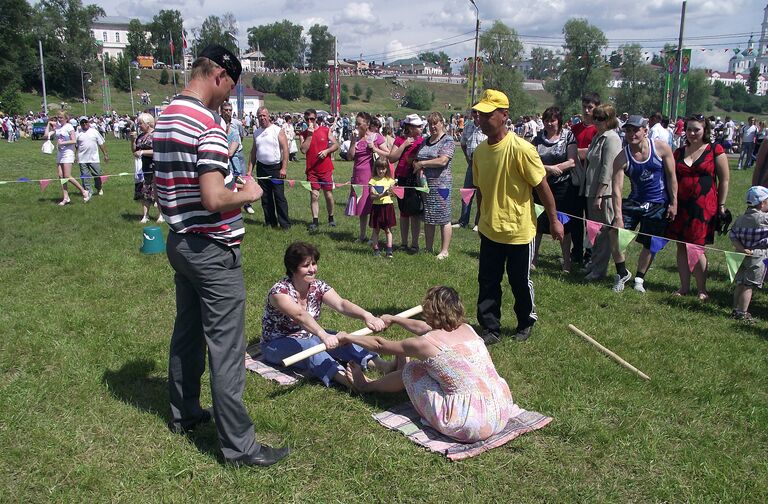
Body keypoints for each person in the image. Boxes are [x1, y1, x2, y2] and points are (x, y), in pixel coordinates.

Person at [154, 45, 288, 467]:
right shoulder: (208, 126)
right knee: (226, 349)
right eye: (232, 86)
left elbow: (167, 187)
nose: (231, 96)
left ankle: (185, 412)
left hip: (180, 241)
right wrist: (247, 193)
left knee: (188, 332)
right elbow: (214, 198)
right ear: (218, 76)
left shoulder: (166, 117)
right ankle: (240, 447)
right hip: (213, 249)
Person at [340, 286, 516, 443]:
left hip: (471, 423)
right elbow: (424, 328)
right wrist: (395, 319)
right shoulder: (468, 329)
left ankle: (367, 386)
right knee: (431, 368)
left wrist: (347, 337)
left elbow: (381, 345)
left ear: (430, 310)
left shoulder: (425, 344)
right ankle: (379, 381)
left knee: (412, 370)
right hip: (500, 409)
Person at [471, 90, 564, 344]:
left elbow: (542, 187)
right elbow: (480, 189)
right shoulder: (479, 153)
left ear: (504, 115)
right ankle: (490, 328)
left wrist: (555, 220)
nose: (481, 119)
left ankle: (525, 321)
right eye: (480, 114)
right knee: (487, 281)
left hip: (519, 232)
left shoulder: (522, 149)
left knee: (519, 281)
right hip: (491, 229)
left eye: (488, 114)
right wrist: (480, 219)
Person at [260, 242, 391, 388]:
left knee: (342, 338)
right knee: (310, 345)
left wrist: (367, 316)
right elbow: (300, 315)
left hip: (308, 334)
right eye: (305, 266)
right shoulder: (280, 292)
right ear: (292, 268)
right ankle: (349, 381)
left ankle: (382, 365)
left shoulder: (318, 286)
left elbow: (341, 304)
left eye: (314, 264)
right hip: (275, 344)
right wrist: (323, 335)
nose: (312, 270)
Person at [608, 115, 677, 293]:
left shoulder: (661, 148)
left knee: (650, 242)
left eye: (636, 130)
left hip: (658, 203)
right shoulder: (622, 157)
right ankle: (622, 272)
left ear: (645, 131)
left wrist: (674, 202)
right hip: (635, 201)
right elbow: (616, 189)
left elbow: (671, 177)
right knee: (614, 232)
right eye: (628, 130)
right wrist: (618, 217)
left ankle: (639, 278)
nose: (632, 134)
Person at [667, 114, 730, 300]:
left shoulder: (714, 150)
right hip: (681, 205)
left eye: (697, 129)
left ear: (705, 131)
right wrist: (672, 202)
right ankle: (684, 287)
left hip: (703, 206)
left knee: (696, 247)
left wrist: (722, 204)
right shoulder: (678, 152)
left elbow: (724, 179)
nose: (692, 133)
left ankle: (702, 288)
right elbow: (671, 178)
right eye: (689, 129)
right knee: (681, 246)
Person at [531, 106, 579, 272]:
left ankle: (567, 262)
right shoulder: (537, 139)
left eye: (553, 120)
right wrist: (549, 169)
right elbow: (532, 161)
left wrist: (555, 168)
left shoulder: (568, 136)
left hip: (563, 189)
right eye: (546, 120)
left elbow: (572, 161)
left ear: (559, 121)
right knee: (537, 224)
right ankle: (533, 259)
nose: (549, 123)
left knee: (563, 224)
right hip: (541, 185)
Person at [583, 104, 623, 281]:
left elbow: (608, 169)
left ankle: (599, 270)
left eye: (601, 118)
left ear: (610, 120)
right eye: (595, 118)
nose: (597, 121)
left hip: (603, 194)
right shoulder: (598, 137)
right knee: (594, 232)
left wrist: (599, 194)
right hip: (591, 190)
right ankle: (595, 264)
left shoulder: (611, 138)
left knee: (602, 234)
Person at [413, 112, 455, 259]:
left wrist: (422, 163)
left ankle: (444, 250)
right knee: (428, 216)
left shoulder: (447, 141)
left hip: (441, 185)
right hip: (425, 184)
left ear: (442, 123)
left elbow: (443, 161)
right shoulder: (425, 141)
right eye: (430, 124)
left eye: (435, 123)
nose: (432, 127)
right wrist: (417, 164)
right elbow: (418, 157)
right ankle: (428, 248)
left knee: (444, 217)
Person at [570, 92, 601, 266]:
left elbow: (594, 154)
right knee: (574, 217)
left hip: (592, 180)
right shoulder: (575, 129)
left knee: (591, 219)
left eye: (591, 107)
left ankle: (590, 253)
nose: (587, 111)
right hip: (575, 179)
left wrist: (578, 153)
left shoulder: (598, 130)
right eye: (585, 107)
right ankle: (576, 251)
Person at [729, 186, 768, 323]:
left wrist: (740, 248)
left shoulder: (741, 218)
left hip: (740, 254)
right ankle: (742, 313)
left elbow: (732, 234)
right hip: (757, 256)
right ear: (762, 203)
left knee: (740, 283)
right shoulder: (764, 218)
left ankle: (735, 309)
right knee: (748, 286)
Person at [248, 106, 291, 229]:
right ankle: (270, 222)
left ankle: (285, 224)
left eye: (264, 115)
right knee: (265, 198)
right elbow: (253, 152)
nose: (262, 118)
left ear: (268, 116)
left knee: (279, 197)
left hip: (276, 168)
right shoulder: (256, 133)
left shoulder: (277, 130)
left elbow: (285, 149)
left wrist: (284, 168)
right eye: (260, 116)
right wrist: (250, 170)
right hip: (262, 168)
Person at [349, 112, 389, 243]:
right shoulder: (357, 139)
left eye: (359, 123)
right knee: (361, 207)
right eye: (356, 123)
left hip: (371, 176)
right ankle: (362, 235)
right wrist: (353, 141)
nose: (357, 126)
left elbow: (388, 154)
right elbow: (350, 157)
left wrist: (374, 149)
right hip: (357, 176)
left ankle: (374, 236)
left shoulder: (375, 137)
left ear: (366, 125)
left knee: (373, 205)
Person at [388, 114, 425, 253]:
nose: (421, 128)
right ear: (410, 127)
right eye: (418, 126)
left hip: (415, 178)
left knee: (415, 211)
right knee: (404, 211)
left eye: (421, 126)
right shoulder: (400, 140)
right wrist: (403, 145)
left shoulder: (422, 141)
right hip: (401, 178)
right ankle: (403, 243)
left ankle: (415, 244)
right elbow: (391, 159)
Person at [300, 109, 339, 231]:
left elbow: (336, 145)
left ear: (316, 118)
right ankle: (315, 220)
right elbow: (303, 150)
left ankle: (331, 218)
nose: (310, 121)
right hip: (311, 170)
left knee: (328, 195)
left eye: (312, 119)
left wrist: (327, 151)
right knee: (314, 196)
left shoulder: (325, 130)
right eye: (307, 119)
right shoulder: (303, 134)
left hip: (325, 168)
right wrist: (310, 135)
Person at [45, 110, 90, 205]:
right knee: (61, 176)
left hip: (68, 152)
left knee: (67, 176)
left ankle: (84, 191)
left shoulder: (69, 127)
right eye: (58, 118)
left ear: (66, 118)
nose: (59, 119)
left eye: (61, 118)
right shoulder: (58, 127)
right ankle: (66, 197)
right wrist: (48, 124)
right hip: (60, 153)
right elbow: (46, 135)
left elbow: (74, 140)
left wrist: (62, 143)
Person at [455, 110, 486, 230]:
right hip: (471, 164)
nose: (477, 114)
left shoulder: (486, 127)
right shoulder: (468, 126)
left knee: (482, 194)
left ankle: (479, 223)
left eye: (479, 111)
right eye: (474, 112)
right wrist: (467, 159)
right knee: (467, 193)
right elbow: (463, 143)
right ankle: (463, 221)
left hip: (484, 165)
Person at [221, 102, 253, 215]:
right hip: (223, 155)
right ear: (221, 111)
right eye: (225, 110)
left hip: (237, 153)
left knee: (241, 178)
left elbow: (241, 136)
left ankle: (247, 204)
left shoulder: (237, 123)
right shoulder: (218, 122)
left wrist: (236, 147)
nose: (227, 112)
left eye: (229, 110)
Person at [133, 113, 162, 223]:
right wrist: (133, 140)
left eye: (141, 123)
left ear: (148, 123)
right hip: (143, 167)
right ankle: (145, 215)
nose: (139, 125)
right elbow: (135, 151)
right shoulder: (140, 136)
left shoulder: (156, 134)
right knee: (145, 190)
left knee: (157, 191)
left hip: (155, 166)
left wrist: (143, 152)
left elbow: (158, 151)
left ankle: (161, 215)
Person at [368, 158, 397, 257]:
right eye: (379, 168)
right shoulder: (372, 181)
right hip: (376, 208)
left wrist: (394, 192)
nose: (381, 171)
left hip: (388, 207)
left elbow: (395, 194)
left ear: (387, 169)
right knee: (376, 230)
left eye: (383, 168)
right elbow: (371, 196)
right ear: (375, 168)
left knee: (388, 230)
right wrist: (381, 195)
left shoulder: (391, 181)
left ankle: (389, 250)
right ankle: (376, 250)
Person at [75, 116, 109, 197]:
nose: (84, 124)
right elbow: (75, 146)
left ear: (88, 122)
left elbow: (101, 143)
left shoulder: (94, 131)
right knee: (85, 176)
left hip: (94, 158)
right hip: (82, 159)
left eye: (85, 122)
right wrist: (74, 156)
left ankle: (99, 188)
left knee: (97, 174)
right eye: (82, 123)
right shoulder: (78, 133)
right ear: (80, 124)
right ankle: (88, 191)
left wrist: (105, 155)